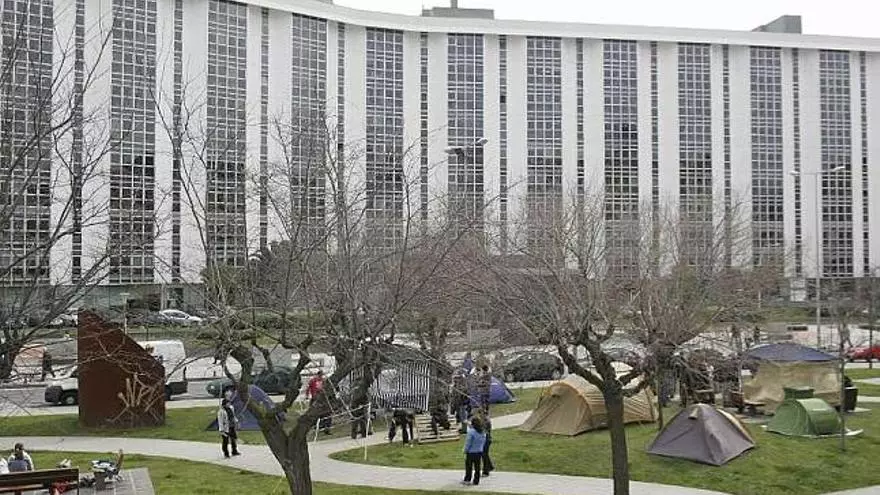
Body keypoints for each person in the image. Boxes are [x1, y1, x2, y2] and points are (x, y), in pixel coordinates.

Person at [462, 416, 486, 486]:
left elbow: (468, 443)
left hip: (471, 452)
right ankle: (476, 481)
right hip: (479, 451)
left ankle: (467, 479)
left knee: (469, 467)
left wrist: (465, 450)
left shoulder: (471, 432)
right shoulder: (482, 431)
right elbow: (483, 441)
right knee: (477, 467)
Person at [480, 412, 494, 477]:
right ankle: (490, 466)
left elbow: (483, 430)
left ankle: (486, 471)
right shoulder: (485, 420)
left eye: (481, 414)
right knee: (485, 454)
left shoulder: (486, 421)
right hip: (486, 439)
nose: (480, 415)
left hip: (486, 440)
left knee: (484, 455)